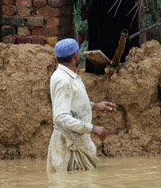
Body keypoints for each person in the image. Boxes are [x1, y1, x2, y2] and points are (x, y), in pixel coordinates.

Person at [47, 37, 117, 173]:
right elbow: (60, 117)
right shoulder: (64, 80)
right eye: (78, 52)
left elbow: (71, 104)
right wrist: (92, 128)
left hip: (76, 143)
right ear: (75, 55)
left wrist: (94, 106)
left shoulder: (64, 75)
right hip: (70, 147)